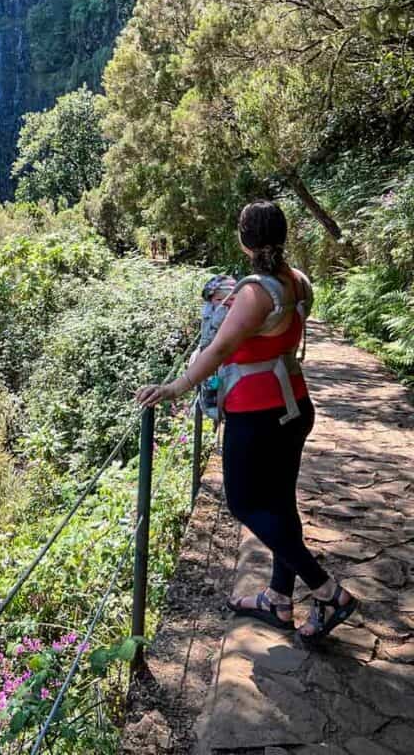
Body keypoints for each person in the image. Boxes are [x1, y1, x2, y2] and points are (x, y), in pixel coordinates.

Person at [134, 200, 358, 644]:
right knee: (279, 505)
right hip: (293, 405)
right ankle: (278, 598)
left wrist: (175, 387)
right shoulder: (297, 281)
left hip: (258, 414)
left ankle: (328, 592)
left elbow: (219, 348)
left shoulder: (256, 292)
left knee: (243, 504)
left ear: (244, 240)